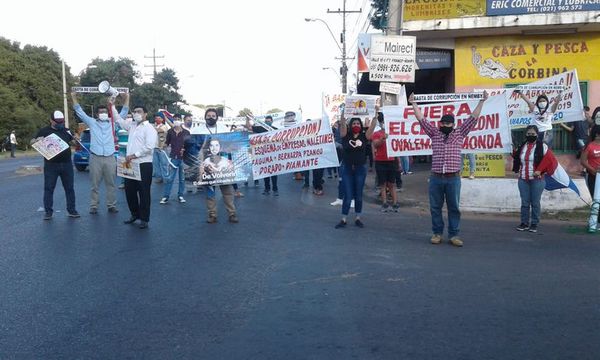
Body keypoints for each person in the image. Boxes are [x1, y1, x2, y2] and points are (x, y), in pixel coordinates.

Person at [409, 91, 488, 247]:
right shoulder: (434, 133)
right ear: (440, 124)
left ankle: (454, 235)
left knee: (454, 207)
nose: (445, 125)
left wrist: (482, 101)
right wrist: (413, 103)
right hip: (436, 177)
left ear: (453, 124)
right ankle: (437, 233)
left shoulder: (460, 133)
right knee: (435, 207)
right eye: (443, 123)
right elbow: (421, 119)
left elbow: (473, 118)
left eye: (448, 123)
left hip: (453, 178)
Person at [72, 92, 127, 214]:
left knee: (111, 184)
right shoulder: (92, 122)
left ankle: (111, 205)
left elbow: (123, 112)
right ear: (97, 114)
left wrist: (127, 98)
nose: (103, 114)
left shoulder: (113, 122)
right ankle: (94, 206)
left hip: (110, 157)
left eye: (105, 112)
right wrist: (73, 97)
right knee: (94, 185)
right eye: (101, 112)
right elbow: (79, 111)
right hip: (95, 157)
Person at [113, 96, 157, 229]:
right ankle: (134, 214)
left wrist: (134, 155)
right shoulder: (132, 125)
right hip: (130, 163)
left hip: (143, 163)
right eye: (135, 112)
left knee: (144, 192)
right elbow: (118, 120)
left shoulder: (149, 128)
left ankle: (144, 218)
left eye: (139, 112)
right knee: (129, 191)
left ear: (145, 114)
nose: (136, 114)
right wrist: (112, 106)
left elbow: (149, 147)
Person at [31, 111, 80, 220]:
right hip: (51, 165)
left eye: (61, 122)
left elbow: (74, 143)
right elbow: (32, 141)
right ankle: (48, 212)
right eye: (57, 122)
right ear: (51, 120)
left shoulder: (66, 131)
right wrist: (37, 140)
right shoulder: (44, 131)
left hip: (66, 164)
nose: (60, 124)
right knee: (49, 188)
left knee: (69, 188)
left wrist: (76, 139)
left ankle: (72, 210)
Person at [335, 113, 378, 229]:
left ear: (361, 125)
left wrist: (376, 114)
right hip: (347, 168)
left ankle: (358, 218)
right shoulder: (345, 135)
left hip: (360, 169)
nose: (356, 125)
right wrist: (343, 113)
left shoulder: (364, 136)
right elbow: (343, 123)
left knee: (358, 195)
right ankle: (343, 219)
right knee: (348, 195)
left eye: (358, 123)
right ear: (350, 125)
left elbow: (373, 126)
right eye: (354, 123)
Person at [196, 108, 238, 224]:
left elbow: (230, 144)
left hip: (222, 162)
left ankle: (232, 213)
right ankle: (212, 214)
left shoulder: (224, 129)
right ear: (205, 117)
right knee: (210, 191)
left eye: (213, 116)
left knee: (227, 191)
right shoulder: (198, 130)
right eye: (208, 115)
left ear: (217, 117)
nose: (210, 117)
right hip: (206, 162)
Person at [513, 125, 557, 233]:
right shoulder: (522, 146)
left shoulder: (542, 146)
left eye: (533, 134)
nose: (530, 136)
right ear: (525, 134)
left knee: (535, 202)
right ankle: (524, 223)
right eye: (528, 134)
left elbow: (550, 160)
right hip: (523, 178)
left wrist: (540, 170)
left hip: (537, 179)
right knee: (524, 202)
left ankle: (534, 223)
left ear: (537, 135)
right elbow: (517, 157)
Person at [368, 111, 399, 212]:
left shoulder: (394, 132)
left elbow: (397, 147)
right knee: (383, 184)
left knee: (392, 183)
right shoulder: (377, 134)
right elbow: (375, 144)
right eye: (383, 121)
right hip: (380, 161)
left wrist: (399, 162)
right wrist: (382, 139)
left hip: (392, 161)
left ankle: (395, 203)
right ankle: (384, 203)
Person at [246, 115, 279, 195]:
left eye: (269, 121)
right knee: (265, 172)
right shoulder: (261, 129)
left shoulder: (276, 130)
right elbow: (249, 127)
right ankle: (267, 189)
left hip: (273, 155)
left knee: (274, 173)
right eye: (266, 121)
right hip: (263, 155)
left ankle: (275, 189)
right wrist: (247, 119)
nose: (268, 122)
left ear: (272, 121)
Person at [160, 120, 190, 204]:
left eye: (178, 119)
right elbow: (167, 142)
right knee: (170, 178)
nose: (176, 121)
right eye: (174, 119)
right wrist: (162, 147)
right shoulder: (170, 131)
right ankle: (166, 196)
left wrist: (185, 149)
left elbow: (189, 145)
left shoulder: (186, 132)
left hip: (184, 158)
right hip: (173, 158)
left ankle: (180, 195)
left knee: (182, 179)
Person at [581, 125, 600, 204]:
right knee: (596, 199)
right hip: (593, 176)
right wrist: (593, 170)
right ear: (597, 134)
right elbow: (583, 161)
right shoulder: (589, 146)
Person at [152, 113, 170, 183]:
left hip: (162, 148)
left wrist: (152, 127)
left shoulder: (164, 126)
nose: (157, 119)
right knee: (156, 164)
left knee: (164, 164)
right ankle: (159, 178)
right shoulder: (154, 125)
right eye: (156, 118)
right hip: (154, 147)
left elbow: (159, 130)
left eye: (159, 118)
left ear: (162, 119)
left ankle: (166, 178)